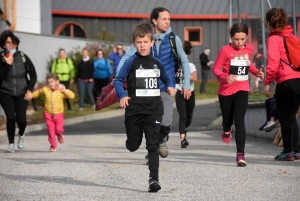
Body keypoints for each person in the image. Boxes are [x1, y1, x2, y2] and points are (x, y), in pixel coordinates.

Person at [116, 7, 191, 160]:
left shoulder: (172, 38)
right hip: (146, 90)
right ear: (155, 21)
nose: (167, 22)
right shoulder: (145, 38)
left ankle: (162, 140)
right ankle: (152, 151)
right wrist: (118, 77)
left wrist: (186, 84)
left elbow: (184, 61)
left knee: (166, 122)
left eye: (169, 19)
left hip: (165, 87)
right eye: (164, 19)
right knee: (151, 123)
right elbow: (126, 58)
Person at [114, 23, 175, 192]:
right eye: (139, 42)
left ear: (151, 43)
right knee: (133, 145)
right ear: (134, 43)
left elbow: (167, 79)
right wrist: (123, 95)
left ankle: (153, 179)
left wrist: (170, 87)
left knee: (152, 145)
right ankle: (133, 140)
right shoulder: (131, 62)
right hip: (134, 111)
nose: (142, 45)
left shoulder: (156, 63)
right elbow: (118, 80)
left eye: (145, 41)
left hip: (153, 110)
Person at [212, 23, 264, 166]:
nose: (240, 42)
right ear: (231, 37)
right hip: (226, 91)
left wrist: (256, 72)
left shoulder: (249, 48)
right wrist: (225, 77)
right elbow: (216, 68)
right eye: (236, 39)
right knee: (227, 120)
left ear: (246, 37)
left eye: (242, 39)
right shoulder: (225, 50)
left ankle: (240, 155)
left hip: (242, 88)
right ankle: (226, 129)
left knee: (239, 120)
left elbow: (247, 64)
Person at [264, 7, 300, 161]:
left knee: (285, 117)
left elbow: (273, 64)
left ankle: (287, 151)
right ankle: (297, 151)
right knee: (292, 117)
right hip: (298, 80)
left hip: (285, 82)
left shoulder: (273, 39)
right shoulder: (292, 37)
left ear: (268, 23)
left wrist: (267, 82)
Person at [0, 30, 37, 153]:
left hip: (22, 91)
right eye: (7, 43)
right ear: (3, 45)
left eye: (13, 42)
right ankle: (11, 144)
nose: (10, 45)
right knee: (10, 117)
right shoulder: (1, 58)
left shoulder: (23, 56)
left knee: (21, 119)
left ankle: (21, 135)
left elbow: (33, 75)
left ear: (16, 44)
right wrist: (8, 65)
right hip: (5, 92)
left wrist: (29, 90)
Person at [25, 73, 75, 152]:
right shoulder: (45, 89)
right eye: (49, 82)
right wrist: (30, 95)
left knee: (59, 129)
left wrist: (65, 91)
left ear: (57, 82)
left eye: (52, 82)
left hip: (59, 114)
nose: (50, 84)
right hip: (48, 114)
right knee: (51, 132)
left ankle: (59, 135)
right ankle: (53, 145)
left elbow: (72, 96)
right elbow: (37, 93)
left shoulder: (61, 90)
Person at [176, 41, 197, 148]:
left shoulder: (190, 65)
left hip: (190, 93)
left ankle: (185, 129)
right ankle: (183, 139)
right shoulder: (175, 65)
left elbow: (194, 78)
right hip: (179, 92)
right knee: (182, 116)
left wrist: (184, 73)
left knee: (189, 116)